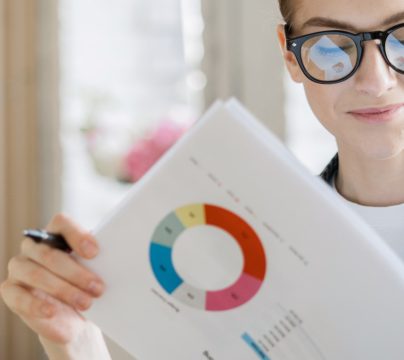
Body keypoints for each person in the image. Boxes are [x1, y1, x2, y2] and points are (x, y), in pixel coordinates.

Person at [2, 0, 404, 358]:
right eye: (331, 46)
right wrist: (75, 344)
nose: (376, 81)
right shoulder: (245, 255)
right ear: (290, 55)